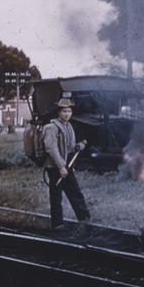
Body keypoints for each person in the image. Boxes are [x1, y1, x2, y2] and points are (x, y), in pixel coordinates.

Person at [43, 95, 90, 231]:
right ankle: (57, 225)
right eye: (64, 111)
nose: (67, 114)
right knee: (56, 197)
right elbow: (51, 149)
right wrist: (61, 167)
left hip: (67, 165)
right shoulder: (51, 127)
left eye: (69, 111)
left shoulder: (68, 126)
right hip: (55, 166)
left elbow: (68, 148)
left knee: (75, 193)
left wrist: (77, 147)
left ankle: (85, 220)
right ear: (58, 112)